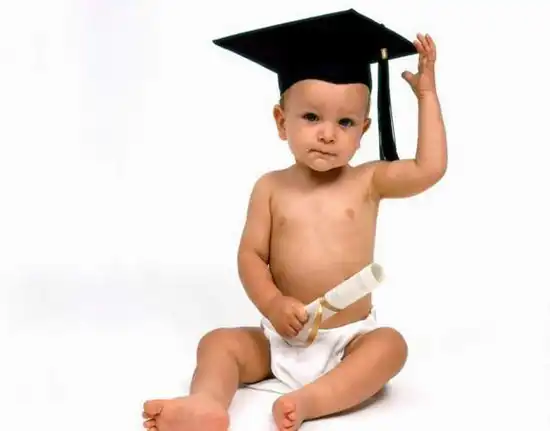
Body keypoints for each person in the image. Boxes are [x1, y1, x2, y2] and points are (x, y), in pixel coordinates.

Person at [142, 8, 447, 431]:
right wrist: (272, 303)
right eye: (311, 117)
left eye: (345, 122)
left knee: (390, 347)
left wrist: (427, 96)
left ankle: (309, 401)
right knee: (218, 343)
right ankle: (206, 403)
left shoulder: (368, 181)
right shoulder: (270, 188)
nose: (328, 133)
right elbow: (251, 256)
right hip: (281, 338)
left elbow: (429, 169)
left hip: (348, 340)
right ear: (281, 122)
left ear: (363, 130)